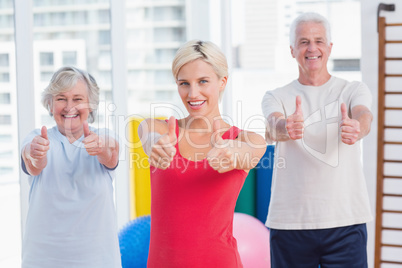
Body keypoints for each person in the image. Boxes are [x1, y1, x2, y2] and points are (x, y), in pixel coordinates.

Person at [139, 40, 266, 268]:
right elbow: (149, 138)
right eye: (184, 83)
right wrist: (156, 146)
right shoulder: (159, 129)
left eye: (203, 81)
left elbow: (251, 151)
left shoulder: (244, 139)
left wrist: (233, 153)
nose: (193, 93)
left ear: (222, 82)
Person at [261, 12, 373, 267]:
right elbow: (272, 125)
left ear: (330, 47)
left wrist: (358, 127)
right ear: (292, 50)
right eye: (303, 42)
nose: (312, 48)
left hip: (346, 222)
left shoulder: (353, 90)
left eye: (319, 41)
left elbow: (364, 115)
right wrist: (285, 127)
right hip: (289, 224)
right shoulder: (275, 95)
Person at [20, 66, 121, 268]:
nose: (69, 106)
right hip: (42, 260)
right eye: (61, 99)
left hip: (98, 260)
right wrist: (36, 154)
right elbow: (32, 163)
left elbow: (111, 153)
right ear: (50, 104)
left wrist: (101, 147)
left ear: (90, 105)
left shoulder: (103, 136)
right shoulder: (36, 138)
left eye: (77, 99)